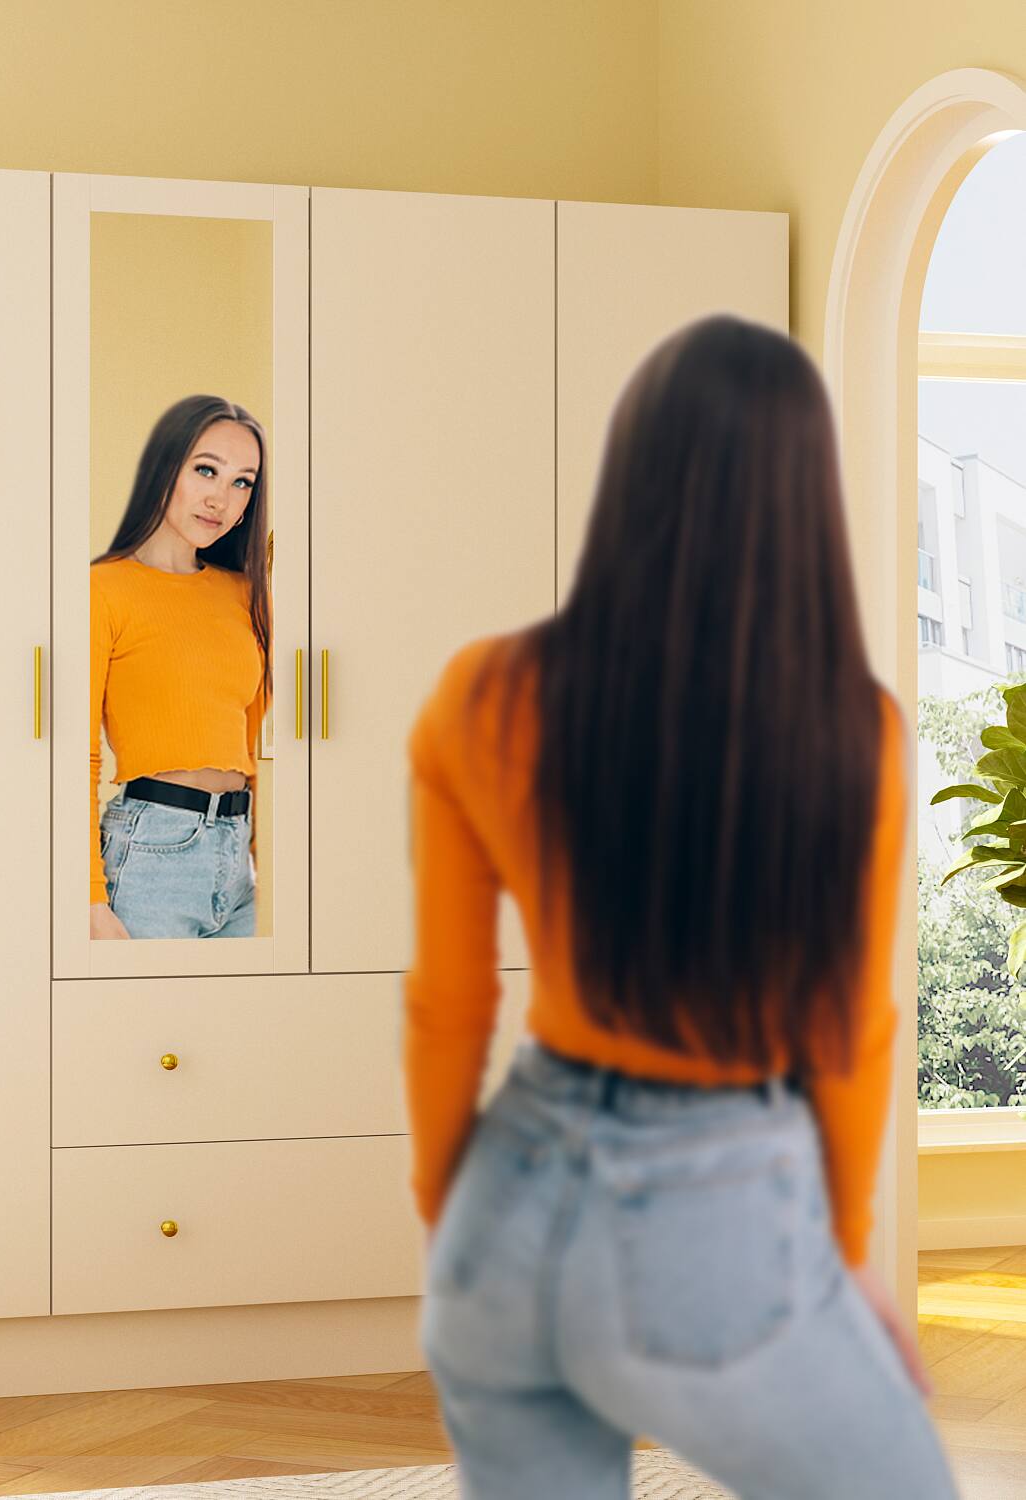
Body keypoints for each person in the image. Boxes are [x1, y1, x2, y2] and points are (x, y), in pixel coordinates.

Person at [402, 315, 959, 1498]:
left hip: (506, 1207)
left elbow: (450, 1002)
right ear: (805, 501)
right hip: (713, 1212)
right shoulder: (852, 733)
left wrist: (455, 1217)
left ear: (630, 473)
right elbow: (851, 1027)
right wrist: (845, 1255)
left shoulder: (483, 691)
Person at [89, 394, 271, 940]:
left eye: (242, 482)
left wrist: (261, 856)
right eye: (206, 470)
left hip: (238, 860)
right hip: (152, 854)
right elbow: (78, 756)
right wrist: (90, 898)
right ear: (165, 467)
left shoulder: (245, 593)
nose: (221, 498)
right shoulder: (102, 589)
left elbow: (253, 743)